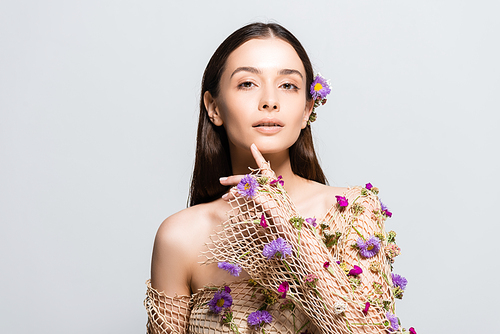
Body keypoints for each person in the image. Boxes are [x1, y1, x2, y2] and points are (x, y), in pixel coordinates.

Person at [145, 22, 411, 334]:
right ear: (214, 107)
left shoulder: (352, 212)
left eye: (288, 85)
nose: (270, 100)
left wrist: (288, 228)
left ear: (307, 109)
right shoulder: (180, 237)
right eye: (247, 83)